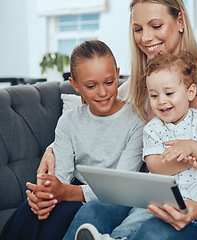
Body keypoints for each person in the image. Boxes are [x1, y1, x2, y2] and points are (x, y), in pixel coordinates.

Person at [41, 0, 197, 239]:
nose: (146, 38)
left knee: (156, 229)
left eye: (156, 25)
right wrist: (53, 148)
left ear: (180, 21)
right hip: (152, 197)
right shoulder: (135, 88)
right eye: (138, 29)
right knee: (95, 210)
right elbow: (93, 111)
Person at [75, 52, 197, 240]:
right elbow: (155, 166)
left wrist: (194, 148)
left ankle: (193, 218)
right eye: (154, 95)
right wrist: (185, 162)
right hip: (163, 201)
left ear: (190, 92)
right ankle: (116, 238)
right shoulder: (153, 129)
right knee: (138, 215)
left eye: (169, 93)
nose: (162, 101)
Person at [0, 40, 145, 240]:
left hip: (106, 200)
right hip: (70, 191)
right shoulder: (69, 120)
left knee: (59, 219)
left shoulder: (136, 121)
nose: (103, 92)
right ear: (75, 85)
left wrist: (66, 192)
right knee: (29, 211)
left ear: (118, 74)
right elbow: (60, 176)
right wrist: (45, 196)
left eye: (109, 82)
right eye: (91, 86)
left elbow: (120, 186)